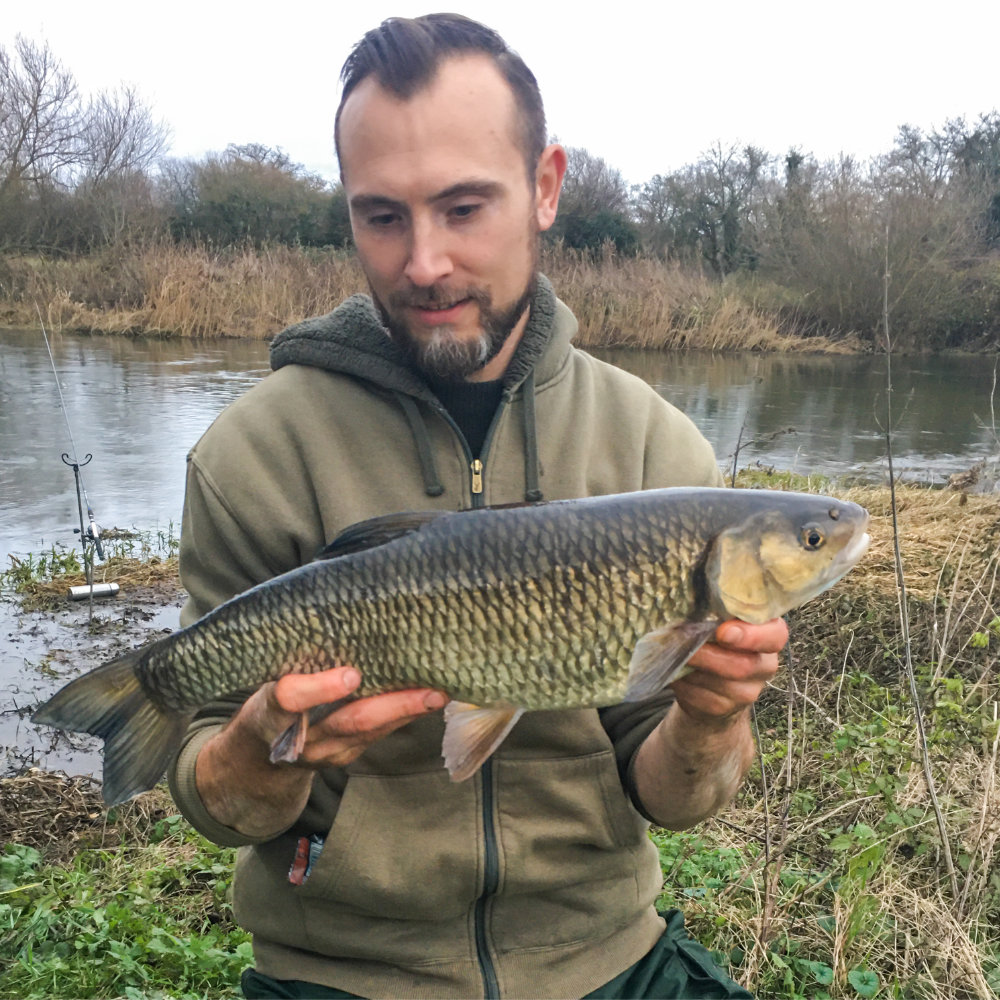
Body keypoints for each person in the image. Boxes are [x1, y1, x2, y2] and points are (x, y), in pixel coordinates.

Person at [167, 13, 787, 1000]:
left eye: (463, 208)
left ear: (544, 189)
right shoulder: (256, 453)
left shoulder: (653, 448)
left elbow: (676, 796)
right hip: (343, 972)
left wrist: (710, 724)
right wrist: (256, 756)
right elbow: (215, 797)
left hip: (609, 960)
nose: (422, 263)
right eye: (382, 216)